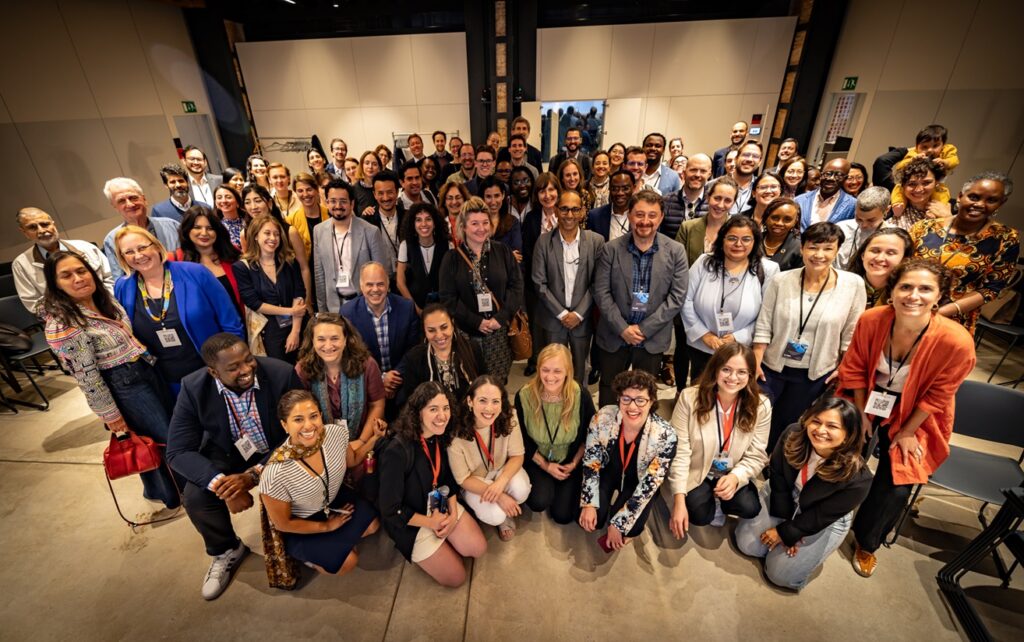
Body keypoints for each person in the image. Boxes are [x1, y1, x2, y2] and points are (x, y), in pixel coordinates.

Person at [837, 260, 975, 577]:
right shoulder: (872, 319)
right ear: (893, 291)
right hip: (867, 393)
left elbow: (939, 395)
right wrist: (862, 412)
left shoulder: (957, 342)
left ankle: (867, 542)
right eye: (906, 287)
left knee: (899, 482)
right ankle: (824, 515)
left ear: (939, 297)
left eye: (925, 289)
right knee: (840, 447)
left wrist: (907, 431)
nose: (914, 295)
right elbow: (854, 367)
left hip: (919, 412)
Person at [167, 333, 302, 599]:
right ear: (213, 372)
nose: (247, 369)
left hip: (277, 448)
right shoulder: (193, 388)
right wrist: (224, 486)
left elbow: (300, 433)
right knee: (195, 496)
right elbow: (178, 451)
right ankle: (226, 550)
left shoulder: (281, 374)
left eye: (248, 359)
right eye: (234, 367)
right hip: (227, 453)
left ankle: (301, 537)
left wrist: (252, 476)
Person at [42, 250, 179, 509]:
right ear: (55, 284)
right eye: (66, 275)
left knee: (153, 436)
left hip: (144, 370)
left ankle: (161, 489)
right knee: (162, 438)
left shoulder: (104, 299)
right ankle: (175, 492)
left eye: (81, 271)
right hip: (122, 383)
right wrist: (110, 415)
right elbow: (87, 377)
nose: (78, 278)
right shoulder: (63, 323)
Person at [734, 396, 872, 590]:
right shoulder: (792, 434)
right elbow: (778, 476)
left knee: (780, 575)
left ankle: (798, 563)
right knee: (747, 544)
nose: (820, 430)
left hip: (821, 515)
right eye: (816, 421)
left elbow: (821, 515)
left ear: (848, 434)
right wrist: (784, 526)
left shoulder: (858, 477)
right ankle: (779, 549)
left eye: (832, 426)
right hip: (785, 493)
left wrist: (789, 533)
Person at [753, 222, 866, 452]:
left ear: (837, 250)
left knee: (791, 425)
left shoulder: (852, 284)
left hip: (815, 373)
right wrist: (756, 362)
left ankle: (776, 463)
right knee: (757, 419)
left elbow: (851, 333)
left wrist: (843, 367)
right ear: (802, 248)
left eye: (828, 248)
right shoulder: (781, 280)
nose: (819, 255)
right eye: (813, 247)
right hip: (772, 368)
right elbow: (764, 324)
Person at [257, 389, 379, 583]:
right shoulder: (274, 474)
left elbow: (354, 459)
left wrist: (375, 438)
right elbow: (283, 524)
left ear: (321, 415)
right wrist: (326, 526)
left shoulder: (336, 434)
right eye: (298, 419)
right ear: (284, 425)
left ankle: (336, 545)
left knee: (373, 525)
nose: (308, 425)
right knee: (349, 562)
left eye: (313, 416)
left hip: (334, 501)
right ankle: (311, 559)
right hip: (303, 522)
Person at [378, 381, 487, 587]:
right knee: (457, 578)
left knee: (478, 548)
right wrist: (432, 523)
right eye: (433, 409)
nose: (442, 416)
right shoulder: (397, 451)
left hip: (437, 500)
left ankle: (443, 545)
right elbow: (390, 510)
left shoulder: (440, 435)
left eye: (446, 408)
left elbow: (447, 479)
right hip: (410, 520)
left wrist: (452, 514)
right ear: (418, 412)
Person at [113, 225, 242, 392]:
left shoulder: (195, 273)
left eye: (142, 247)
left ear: (156, 246)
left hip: (214, 373)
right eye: (129, 252)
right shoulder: (123, 287)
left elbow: (230, 321)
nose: (138, 255)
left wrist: (234, 364)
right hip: (167, 382)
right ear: (122, 257)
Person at [594, 190, 688, 405]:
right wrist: (623, 329)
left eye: (652, 215)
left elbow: (677, 296)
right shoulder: (610, 250)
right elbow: (601, 292)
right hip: (614, 335)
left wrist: (644, 329)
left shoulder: (676, 251)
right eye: (639, 214)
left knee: (644, 395)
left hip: (652, 338)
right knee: (609, 391)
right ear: (629, 215)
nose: (645, 221)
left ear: (661, 217)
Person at [668, 344, 771, 535]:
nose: (733, 378)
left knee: (749, 507)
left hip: (731, 470)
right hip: (698, 469)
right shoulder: (689, 398)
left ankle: (721, 498)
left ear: (750, 375)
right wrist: (678, 499)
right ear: (715, 369)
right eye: (726, 369)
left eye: (742, 372)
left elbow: (756, 455)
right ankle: (707, 500)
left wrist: (736, 477)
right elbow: (680, 452)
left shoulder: (761, 406)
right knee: (699, 515)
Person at [911, 172, 1020, 336]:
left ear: (1000, 203)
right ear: (961, 196)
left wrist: (938, 313)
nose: (980, 204)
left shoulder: (1005, 239)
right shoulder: (923, 228)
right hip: (908, 308)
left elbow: (990, 289)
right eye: (974, 197)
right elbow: (901, 267)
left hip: (951, 321)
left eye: (991, 200)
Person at [579, 370, 677, 550]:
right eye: (626, 399)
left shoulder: (666, 435)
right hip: (608, 472)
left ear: (651, 401)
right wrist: (589, 503)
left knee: (628, 528)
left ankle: (626, 523)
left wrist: (619, 524)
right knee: (592, 519)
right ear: (618, 398)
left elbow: (650, 484)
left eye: (640, 400)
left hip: (638, 480)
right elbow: (591, 462)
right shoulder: (602, 417)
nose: (632, 407)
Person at [681, 216, 779, 383]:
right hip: (702, 346)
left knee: (731, 391)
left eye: (746, 239)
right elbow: (686, 300)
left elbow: (767, 315)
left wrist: (737, 337)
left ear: (755, 242)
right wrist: (704, 334)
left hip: (740, 351)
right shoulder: (704, 262)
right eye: (732, 238)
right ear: (722, 239)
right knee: (700, 391)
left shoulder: (768, 269)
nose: (738, 244)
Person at [294, 313, 387, 484]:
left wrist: (361, 441)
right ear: (312, 341)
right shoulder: (303, 370)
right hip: (320, 447)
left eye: (335, 338)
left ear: (346, 339)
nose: (328, 346)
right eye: (321, 339)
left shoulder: (367, 364)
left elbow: (377, 404)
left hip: (362, 441)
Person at [439, 197, 524, 384]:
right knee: (468, 383)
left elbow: (516, 287)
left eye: (485, 222)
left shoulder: (503, 251)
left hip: (498, 335)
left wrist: (500, 318)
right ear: (463, 226)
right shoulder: (451, 258)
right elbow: (448, 298)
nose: (481, 228)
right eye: (475, 223)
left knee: (496, 385)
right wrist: (476, 322)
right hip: (465, 334)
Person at [514, 344, 595, 525]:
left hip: (570, 460)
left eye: (557, 371)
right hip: (538, 458)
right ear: (538, 369)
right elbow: (521, 438)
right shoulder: (524, 396)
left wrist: (574, 463)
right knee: (538, 502)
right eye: (545, 370)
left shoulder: (581, 395)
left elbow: (591, 435)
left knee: (563, 516)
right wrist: (546, 466)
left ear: (568, 371)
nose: (550, 377)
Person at [532, 190, 605, 384]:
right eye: (564, 209)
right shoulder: (543, 242)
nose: (569, 215)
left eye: (575, 209)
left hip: (582, 320)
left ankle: (578, 402)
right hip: (553, 319)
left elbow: (598, 283)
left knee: (580, 371)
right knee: (553, 373)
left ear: (583, 212)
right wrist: (563, 314)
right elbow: (539, 282)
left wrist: (578, 314)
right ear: (556, 211)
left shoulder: (596, 241)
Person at [447, 375, 531, 540]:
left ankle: (502, 505)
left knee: (521, 490)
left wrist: (500, 483)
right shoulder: (455, 431)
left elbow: (517, 455)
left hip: (500, 470)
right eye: (482, 400)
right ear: (470, 401)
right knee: (496, 516)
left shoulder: (509, 416)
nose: (489, 408)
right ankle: (500, 514)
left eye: (495, 401)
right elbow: (463, 479)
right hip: (474, 480)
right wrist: (500, 496)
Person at [341, 262, 421, 403]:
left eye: (380, 284)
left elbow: (413, 349)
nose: (375, 289)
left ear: (388, 284)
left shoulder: (406, 308)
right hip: (366, 384)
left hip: (402, 381)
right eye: (369, 285)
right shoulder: (347, 313)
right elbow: (351, 354)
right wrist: (381, 378)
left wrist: (394, 378)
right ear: (361, 286)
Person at [234, 215, 306, 363]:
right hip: (269, 331)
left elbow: (299, 294)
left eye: (276, 234)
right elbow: (254, 303)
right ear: (255, 236)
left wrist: (295, 331)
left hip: (298, 325)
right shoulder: (242, 267)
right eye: (267, 233)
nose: (273, 238)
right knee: (279, 370)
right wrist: (290, 311)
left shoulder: (290, 262)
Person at [14, 207, 113, 315]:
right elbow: (34, 304)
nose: (41, 230)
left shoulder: (86, 247)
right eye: (32, 227)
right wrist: (75, 314)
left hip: (107, 307)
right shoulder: (21, 265)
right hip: (66, 318)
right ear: (25, 233)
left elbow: (110, 278)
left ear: (53, 224)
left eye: (45, 224)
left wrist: (102, 304)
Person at [312, 180, 388, 312]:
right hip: (334, 307)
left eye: (343, 201)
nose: (338, 206)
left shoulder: (371, 231)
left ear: (352, 204)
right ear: (327, 202)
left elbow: (382, 274)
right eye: (333, 201)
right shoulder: (318, 231)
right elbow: (319, 274)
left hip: (365, 305)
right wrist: (323, 310)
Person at [395, 303, 484, 407]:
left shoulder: (472, 349)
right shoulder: (414, 358)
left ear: (452, 324)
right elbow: (411, 403)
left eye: (444, 327)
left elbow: (484, 387)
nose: (439, 335)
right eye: (431, 330)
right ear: (424, 331)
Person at [102, 177, 181, 280]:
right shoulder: (111, 240)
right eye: (121, 201)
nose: (130, 204)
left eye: (133, 198)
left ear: (144, 199)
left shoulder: (173, 226)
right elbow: (121, 279)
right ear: (115, 207)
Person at [173, 206, 244, 313]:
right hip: (202, 322)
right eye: (197, 227)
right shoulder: (176, 260)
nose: (204, 233)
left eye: (210, 228)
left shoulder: (232, 253)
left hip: (238, 319)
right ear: (187, 229)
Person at [396, 202, 450, 313]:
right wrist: (415, 309)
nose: (424, 224)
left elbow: (452, 281)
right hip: (415, 307)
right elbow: (400, 282)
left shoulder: (448, 245)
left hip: (442, 308)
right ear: (413, 224)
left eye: (428, 219)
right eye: (418, 220)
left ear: (435, 223)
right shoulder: (405, 245)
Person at [890, 124, 959, 207]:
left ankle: (936, 208)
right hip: (909, 183)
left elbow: (954, 160)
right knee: (898, 189)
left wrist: (945, 162)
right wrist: (913, 159)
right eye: (924, 147)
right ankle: (899, 205)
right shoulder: (914, 153)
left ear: (943, 145)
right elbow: (900, 166)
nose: (930, 150)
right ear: (916, 147)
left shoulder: (947, 151)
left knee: (942, 192)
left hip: (937, 185)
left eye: (935, 146)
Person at [676, 177, 738, 264]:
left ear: (733, 203)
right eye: (717, 198)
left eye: (727, 201)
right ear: (708, 198)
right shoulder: (687, 227)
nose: (720, 205)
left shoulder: (738, 231)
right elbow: (677, 262)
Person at [847, 227, 914, 308]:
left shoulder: (909, 296)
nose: (879, 258)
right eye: (875, 251)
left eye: (890, 253)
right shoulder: (842, 285)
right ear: (863, 255)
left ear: (904, 260)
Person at [887, 156, 948, 232]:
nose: (919, 189)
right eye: (912, 184)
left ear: (936, 182)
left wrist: (948, 218)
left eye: (926, 183)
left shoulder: (947, 211)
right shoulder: (889, 211)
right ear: (903, 186)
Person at [836, 186, 891, 269]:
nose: (863, 225)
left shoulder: (894, 236)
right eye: (859, 219)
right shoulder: (842, 228)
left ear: (887, 210)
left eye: (871, 220)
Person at [661, 153, 713, 240]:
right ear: (684, 172)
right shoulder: (665, 202)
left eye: (703, 171)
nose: (697, 175)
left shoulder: (714, 205)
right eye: (693, 170)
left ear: (709, 174)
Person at [795, 159, 856, 230]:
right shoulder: (800, 200)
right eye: (828, 174)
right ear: (821, 175)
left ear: (845, 178)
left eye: (838, 175)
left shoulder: (852, 205)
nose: (831, 178)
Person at [367, 170, 406, 279]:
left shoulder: (408, 217)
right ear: (374, 194)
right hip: (379, 278)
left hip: (406, 276)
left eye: (390, 192)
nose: (386, 198)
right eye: (380, 193)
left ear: (397, 192)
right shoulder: (367, 220)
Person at [287, 173, 328, 260]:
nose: (305, 194)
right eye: (300, 191)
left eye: (309, 189)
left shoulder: (330, 214)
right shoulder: (290, 220)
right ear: (295, 193)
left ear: (316, 190)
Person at [586, 170, 634, 242]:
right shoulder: (595, 216)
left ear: (634, 188)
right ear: (609, 189)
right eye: (615, 189)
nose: (620, 193)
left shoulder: (641, 215)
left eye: (625, 189)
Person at [480, 178, 522, 257]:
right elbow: (476, 254)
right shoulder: (477, 223)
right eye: (488, 196)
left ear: (503, 195)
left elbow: (517, 256)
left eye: (497, 196)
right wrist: (507, 255)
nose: (493, 202)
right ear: (482, 198)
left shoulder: (513, 222)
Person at [761, 197, 804, 272]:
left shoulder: (799, 246)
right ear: (766, 217)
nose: (779, 223)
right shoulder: (754, 239)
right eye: (775, 218)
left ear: (795, 221)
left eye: (787, 219)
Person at [213, 185, 246, 251]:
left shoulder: (248, 221)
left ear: (237, 202)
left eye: (228, 197)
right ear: (216, 203)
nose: (224, 201)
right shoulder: (215, 226)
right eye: (219, 198)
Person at [353, 151, 382, 215]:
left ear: (379, 167)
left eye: (374, 164)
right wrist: (364, 214)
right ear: (362, 166)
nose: (370, 167)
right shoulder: (354, 189)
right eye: (367, 163)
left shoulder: (383, 186)